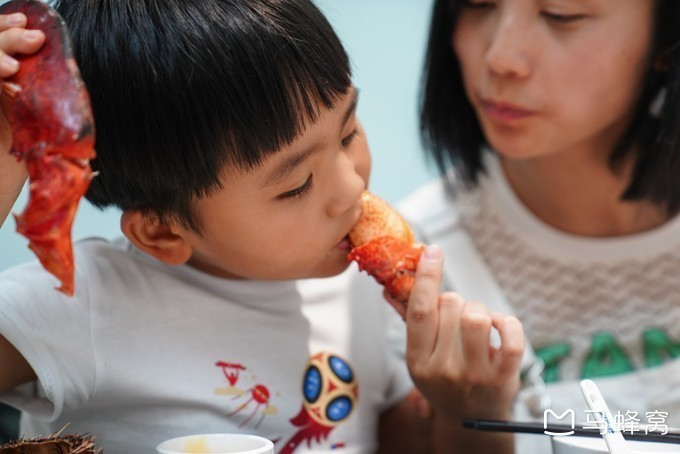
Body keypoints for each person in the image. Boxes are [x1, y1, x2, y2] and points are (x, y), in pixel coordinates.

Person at [0, 1, 509, 452]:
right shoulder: (79, 303)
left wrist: (466, 411)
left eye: (348, 133)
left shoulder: (360, 283)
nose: (352, 188)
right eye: (296, 185)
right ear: (163, 233)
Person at [387, 0, 680, 452]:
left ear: (666, 39)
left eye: (561, 14)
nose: (500, 58)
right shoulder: (412, 259)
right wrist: (466, 420)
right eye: (477, 4)